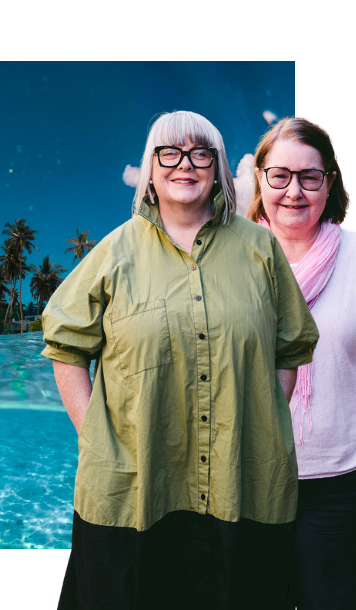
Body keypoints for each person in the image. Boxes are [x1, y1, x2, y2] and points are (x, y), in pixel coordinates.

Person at [41, 110, 319, 610]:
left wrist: (256, 422)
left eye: (200, 152)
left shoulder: (260, 249)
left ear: (217, 167)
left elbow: (290, 349)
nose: (184, 163)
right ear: (151, 167)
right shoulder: (114, 251)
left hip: (244, 482)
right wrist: (97, 438)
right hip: (136, 487)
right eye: (169, 152)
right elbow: (65, 348)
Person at [245, 117, 354, 610]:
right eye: (280, 175)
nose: (294, 191)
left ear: (328, 183)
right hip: (246, 479)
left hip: (338, 485)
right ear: (261, 179)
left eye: (310, 177)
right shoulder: (230, 261)